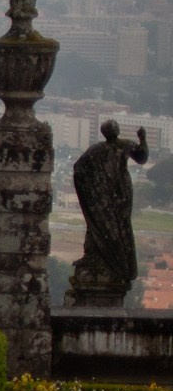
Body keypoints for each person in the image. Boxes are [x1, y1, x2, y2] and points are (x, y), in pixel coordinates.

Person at [71, 119, 150, 302]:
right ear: (117, 131)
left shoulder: (97, 149)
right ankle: (111, 262)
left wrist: (92, 188)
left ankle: (115, 263)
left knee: (103, 225)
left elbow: (79, 168)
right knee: (113, 227)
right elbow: (143, 157)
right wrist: (142, 139)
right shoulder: (125, 145)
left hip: (109, 195)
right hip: (119, 192)